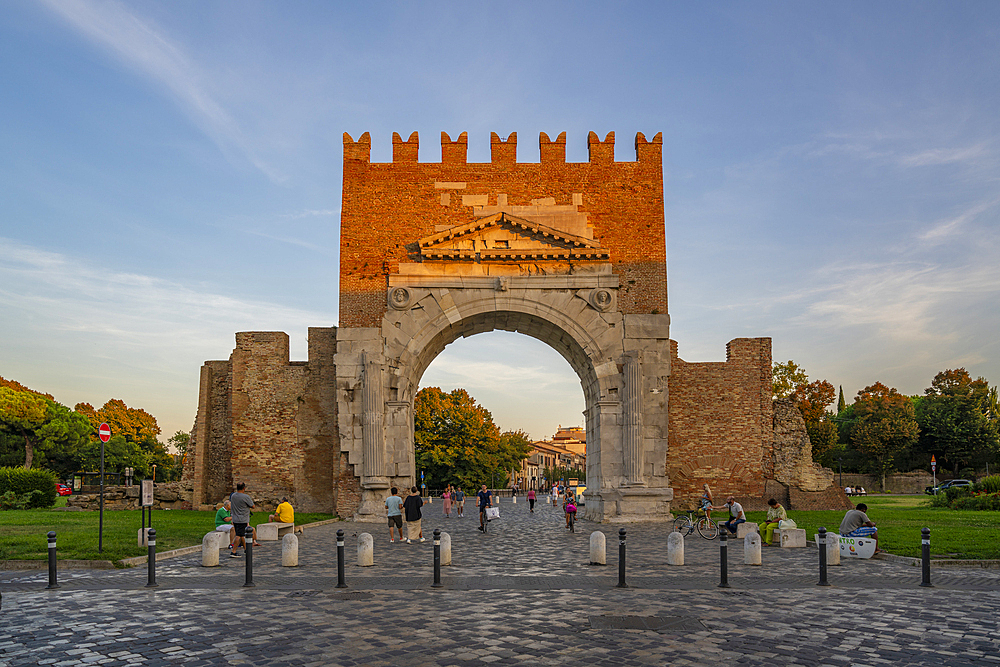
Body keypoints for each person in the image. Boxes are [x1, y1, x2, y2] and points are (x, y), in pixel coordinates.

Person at [229, 482, 260, 557]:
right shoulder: (245, 497)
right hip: (242, 519)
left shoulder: (233, 496)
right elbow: (253, 506)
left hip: (235, 518)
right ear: (244, 488)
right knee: (238, 535)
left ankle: (246, 549)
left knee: (242, 534)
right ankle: (233, 551)